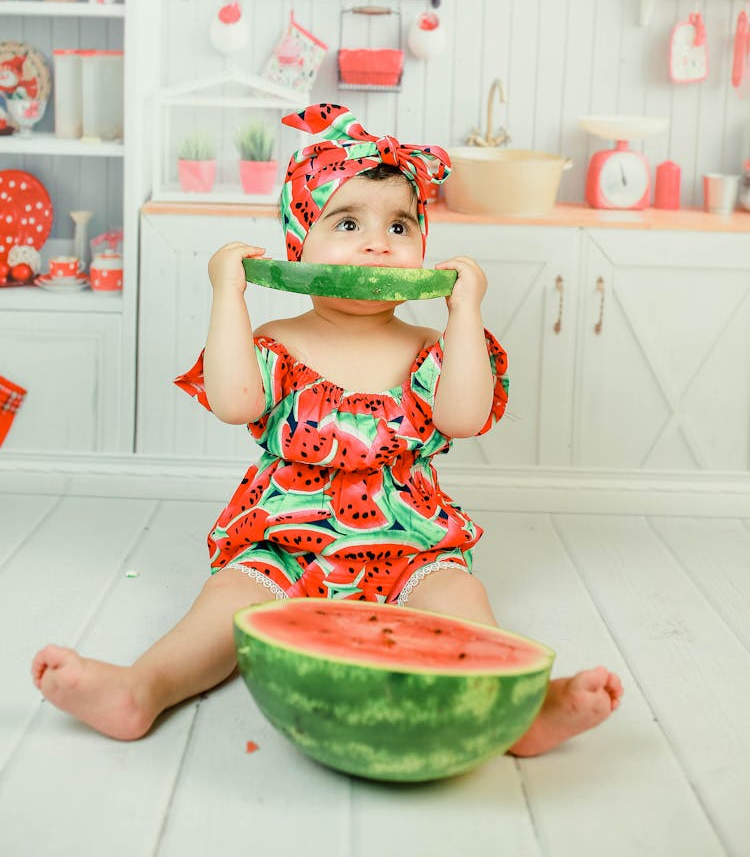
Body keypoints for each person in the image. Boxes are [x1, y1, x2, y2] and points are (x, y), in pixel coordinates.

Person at [32, 103, 622, 754]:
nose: (378, 243)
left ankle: (523, 708)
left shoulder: (430, 345)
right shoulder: (277, 340)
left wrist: (466, 311)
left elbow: (464, 416)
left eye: (400, 225)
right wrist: (228, 294)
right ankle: (140, 687)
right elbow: (233, 400)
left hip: (410, 544)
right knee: (221, 603)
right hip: (285, 536)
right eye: (347, 222)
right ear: (299, 244)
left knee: (463, 595)